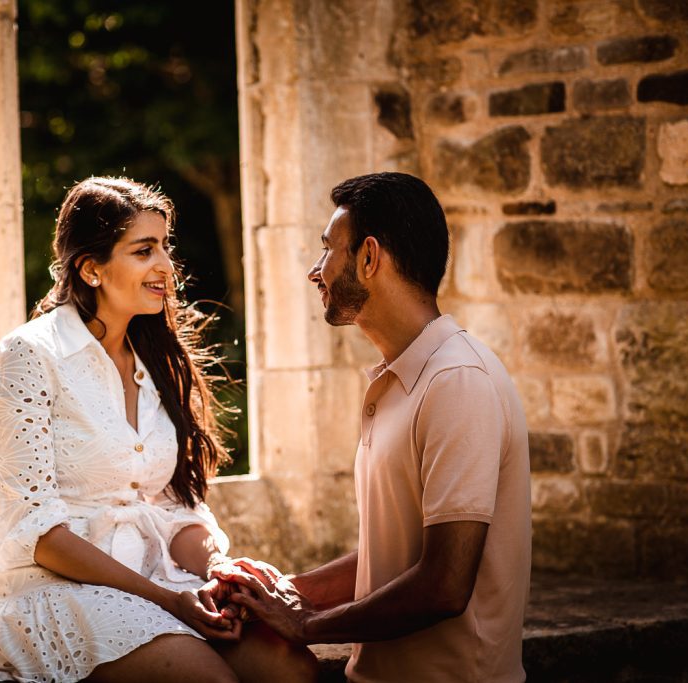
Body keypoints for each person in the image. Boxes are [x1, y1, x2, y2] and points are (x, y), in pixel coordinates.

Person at [0, 176, 318, 683]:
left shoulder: (156, 359)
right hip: (55, 590)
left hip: (159, 579)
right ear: (91, 269)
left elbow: (173, 507)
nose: (167, 267)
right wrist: (169, 600)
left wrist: (219, 570)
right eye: (144, 250)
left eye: (165, 247)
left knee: (291, 669)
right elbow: (38, 534)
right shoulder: (30, 356)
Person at [209, 172, 531, 682]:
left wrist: (307, 624)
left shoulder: (457, 380)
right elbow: (398, 555)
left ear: (369, 258)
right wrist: (283, 593)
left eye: (327, 251)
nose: (316, 272)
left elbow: (444, 584)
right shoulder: (403, 378)